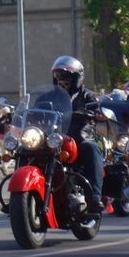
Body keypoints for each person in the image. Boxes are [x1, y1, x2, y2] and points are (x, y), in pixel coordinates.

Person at [50, 56, 102, 212]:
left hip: (79, 139)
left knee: (91, 148)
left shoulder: (88, 96)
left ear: (77, 77)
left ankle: (95, 197)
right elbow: (36, 109)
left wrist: (93, 112)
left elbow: (97, 108)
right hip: (53, 140)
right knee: (27, 150)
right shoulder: (49, 97)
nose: (61, 80)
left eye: (66, 76)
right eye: (58, 76)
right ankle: (18, 198)